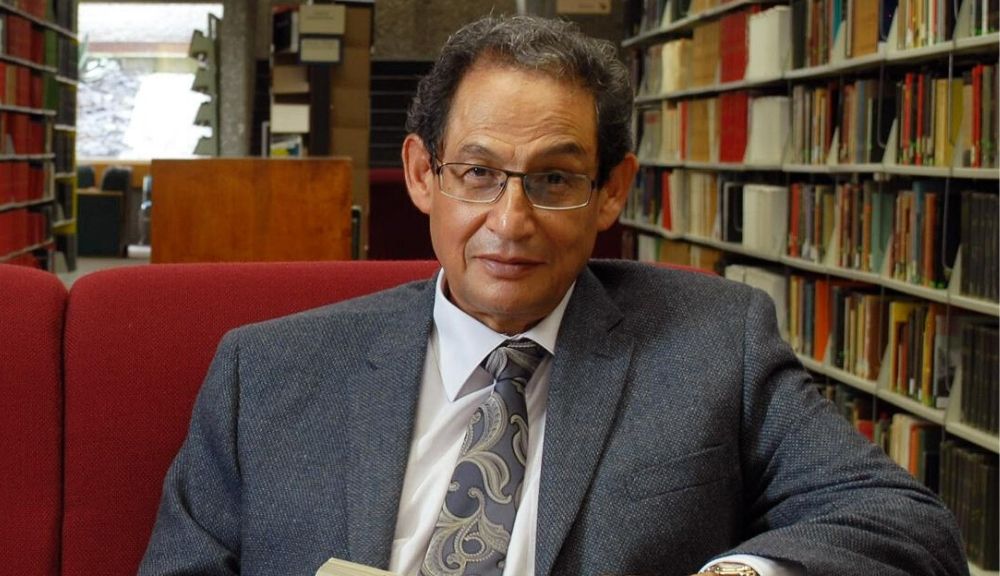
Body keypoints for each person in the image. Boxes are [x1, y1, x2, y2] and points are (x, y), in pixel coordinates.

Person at [139, 14, 968, 576]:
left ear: (613, 192)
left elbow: (902, 522)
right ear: (423, 175)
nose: (512, 222)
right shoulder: (265, 371)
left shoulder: (717, 342)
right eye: (478, 173)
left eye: (556, 180)